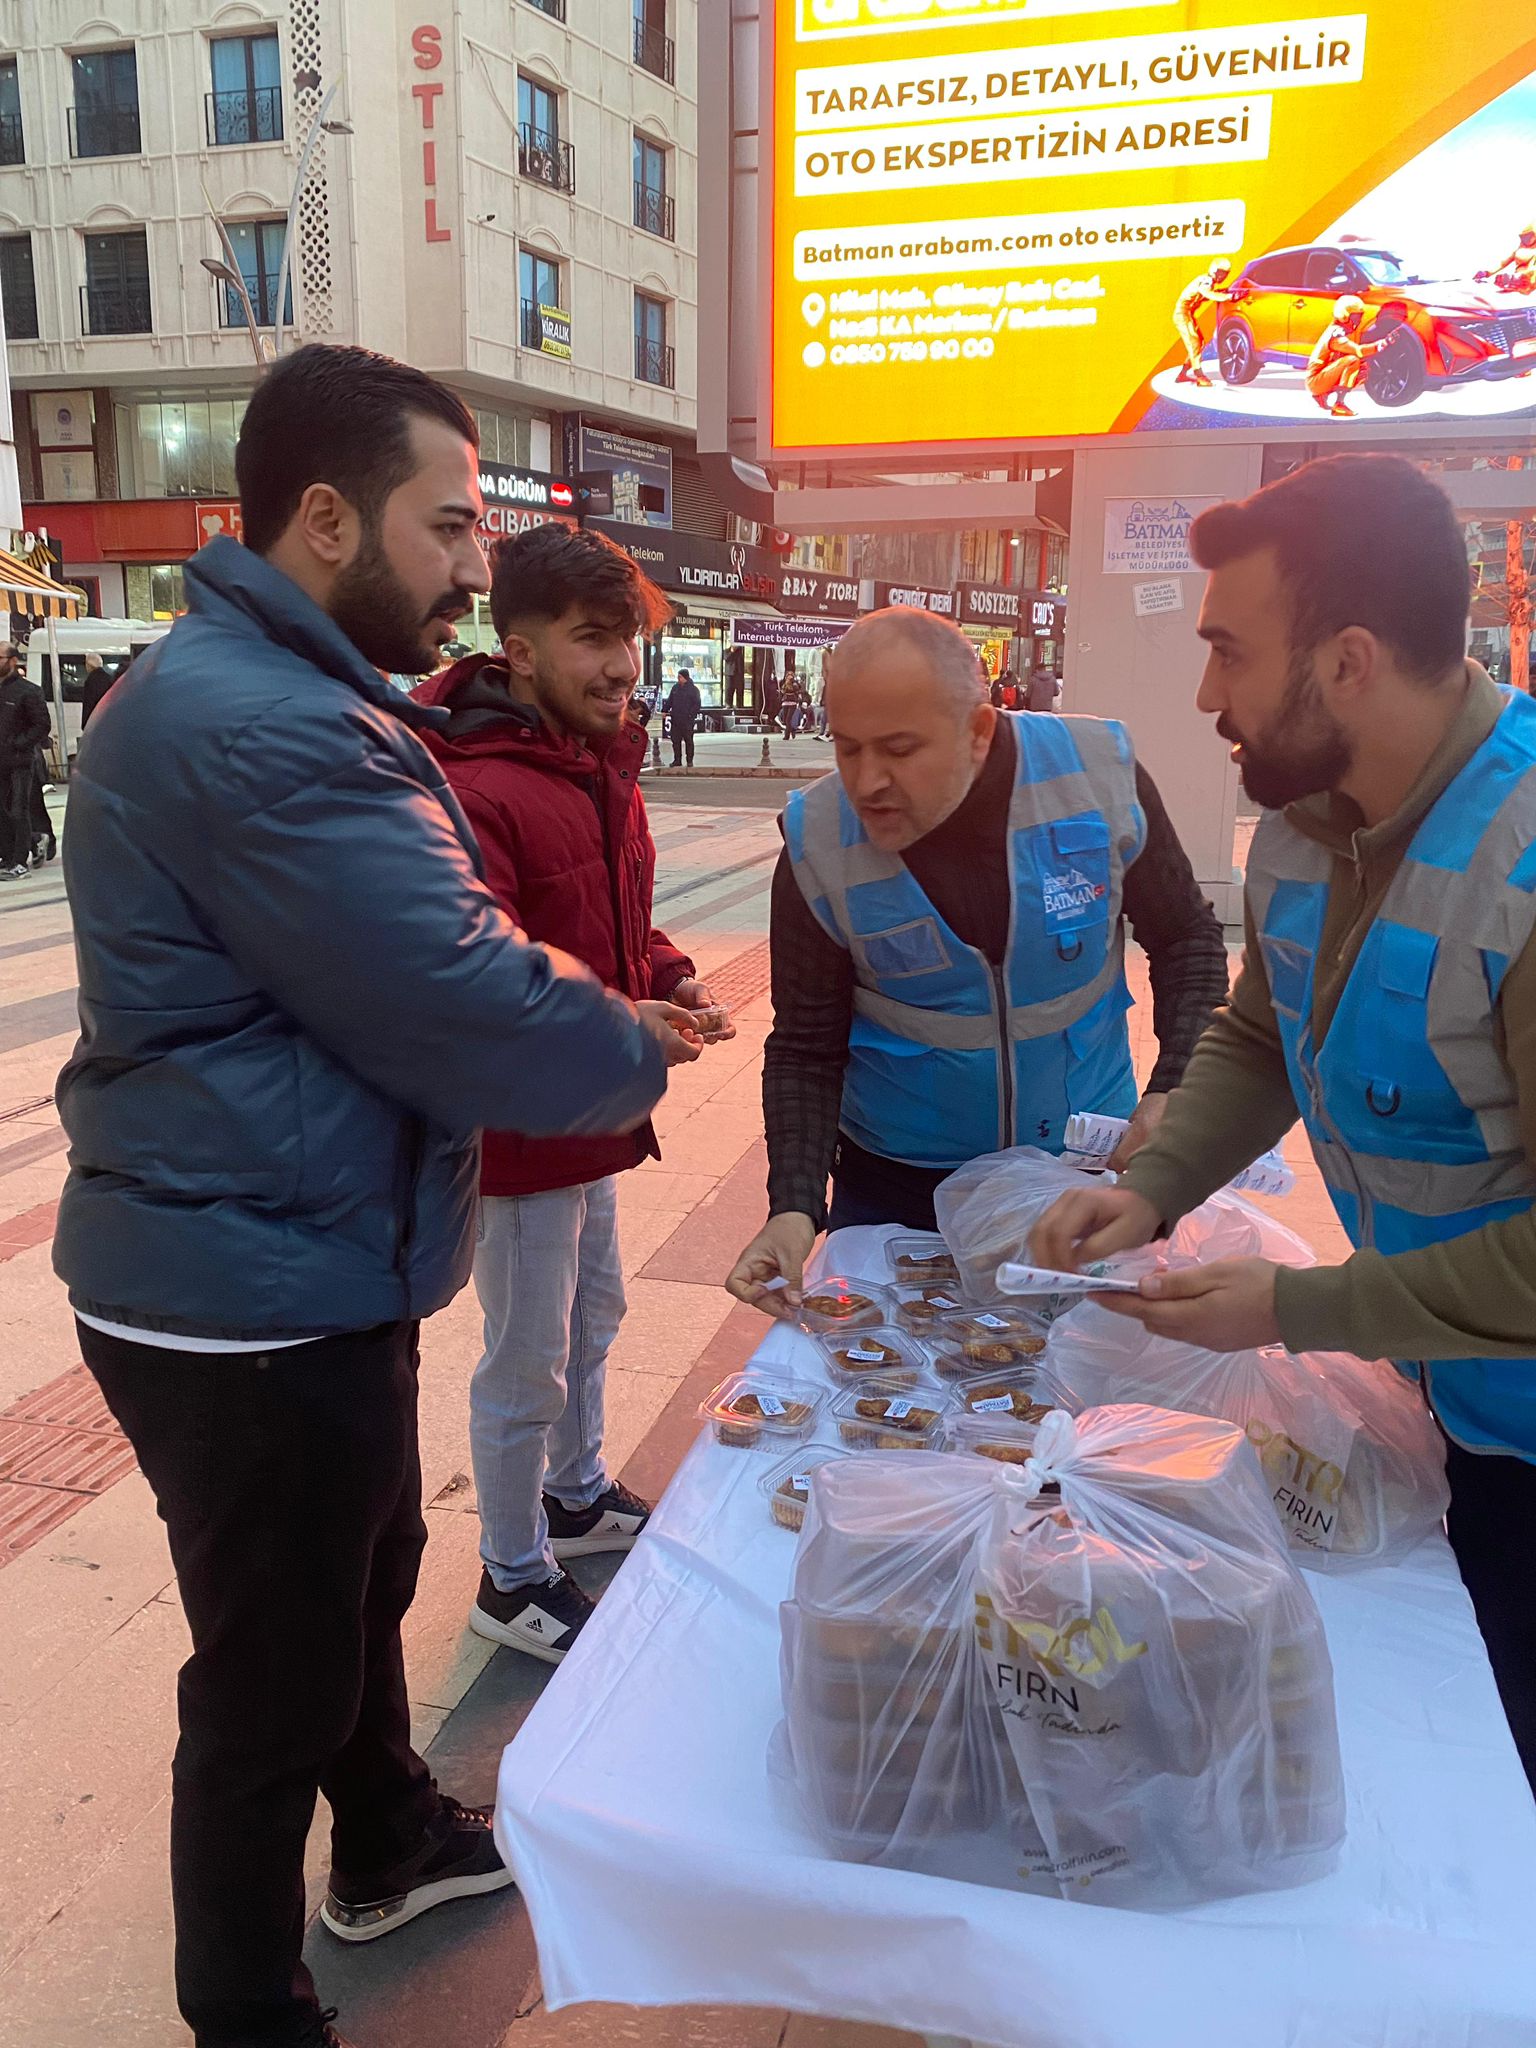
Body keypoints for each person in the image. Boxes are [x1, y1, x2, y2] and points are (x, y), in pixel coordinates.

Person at [56, 344, 672, 2048]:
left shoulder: (275, 694)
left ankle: (390, 1825)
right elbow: (457, 996)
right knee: (268, 1677)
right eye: (450, 524)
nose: (479, 565)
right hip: (242, 1285)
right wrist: (630, 1043)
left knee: (361, 1564)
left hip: (283, 1251)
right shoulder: (271, 729)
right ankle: (248, 2008)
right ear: (325, 518)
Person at [1026, 453, 1536, 1791]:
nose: (1204, 696)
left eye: (1228, 654)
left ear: (1351, 663)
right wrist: (1158, 1183)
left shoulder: (1525, 863)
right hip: (1445, 1393)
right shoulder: (1312, 822)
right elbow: (1269, 1024)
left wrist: (1294, 1309)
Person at [414, 525, 734, 1663]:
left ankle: (576, 1489)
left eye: (632, 642)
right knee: (524, 1352)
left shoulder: (599, 761)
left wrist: (670, 973)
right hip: (516, 1132)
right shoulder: (477, 786)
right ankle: (510, 1571)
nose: (620, 667)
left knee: (596, 1316)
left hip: (592, 1113)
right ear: (521, 648)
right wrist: (621, 1019)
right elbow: (475, 972)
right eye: (593, 640)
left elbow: (611, 916)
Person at [725, 606, 1231, 1309]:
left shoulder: (1096, 780)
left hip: (1079, 1174)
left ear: (979, 731)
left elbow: (1187, 941)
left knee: (1080, 1390)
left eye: (899, 749)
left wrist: (1175, 1086)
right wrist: (794, 1206)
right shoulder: (818, 843)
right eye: (847, 748)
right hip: (900, 1188)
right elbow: (806, 1047)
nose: (867, 781)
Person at [0, 639, 50, 879]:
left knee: (18, 810)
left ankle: (19, 862)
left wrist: (18, 744)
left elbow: (42, 725)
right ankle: (7, 857)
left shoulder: (28, 691)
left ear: (12, 660)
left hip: (20, 762)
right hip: (1, 761)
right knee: (2, 812)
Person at [1306, 295, 1386, 419]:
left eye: (1360, 316)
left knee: (1363, 368)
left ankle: (1323, 394)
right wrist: (1382, 344)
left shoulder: (1337, 330)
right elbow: (1358, 351)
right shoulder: (1336, 334)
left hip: (1320, 377)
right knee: (1352, 361)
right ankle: (1339, 404)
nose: (1358, 321)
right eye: (1356, 316)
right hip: (1316, 381)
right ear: (1344, 315)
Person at [1173, 258, 1239, 385]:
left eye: (1225, 274)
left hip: (1187, 314)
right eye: (1220, 272)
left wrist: (1222, 291)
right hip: (1182, 313)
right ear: (1214, 270)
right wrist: (1229, 296)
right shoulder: (1206, 281)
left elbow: (1204, 295)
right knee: (1194, 343)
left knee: (1199, 343)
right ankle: (1200, 376)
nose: (1222, 276)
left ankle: (1183, 374)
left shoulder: (1207, 281)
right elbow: (1208, 294)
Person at [665, 665, 701, 766]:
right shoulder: (675, 688)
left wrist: (690, 715)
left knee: (688, 740)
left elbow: (697, 704)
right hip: (676, 719)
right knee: (675, 741)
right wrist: (665, 710)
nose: (678, 679)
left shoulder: (693, 689)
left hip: (687, 720)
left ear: (685, 677)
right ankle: (677, 760)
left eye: (680, 677)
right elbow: (670, 700)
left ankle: (689, 760)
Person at [79, 648, 115, 727]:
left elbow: (89, 703)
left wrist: (85, 725)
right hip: (107, 720)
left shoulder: (91, 680)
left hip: (95, 721)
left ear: (89, 665)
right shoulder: (109, 678)